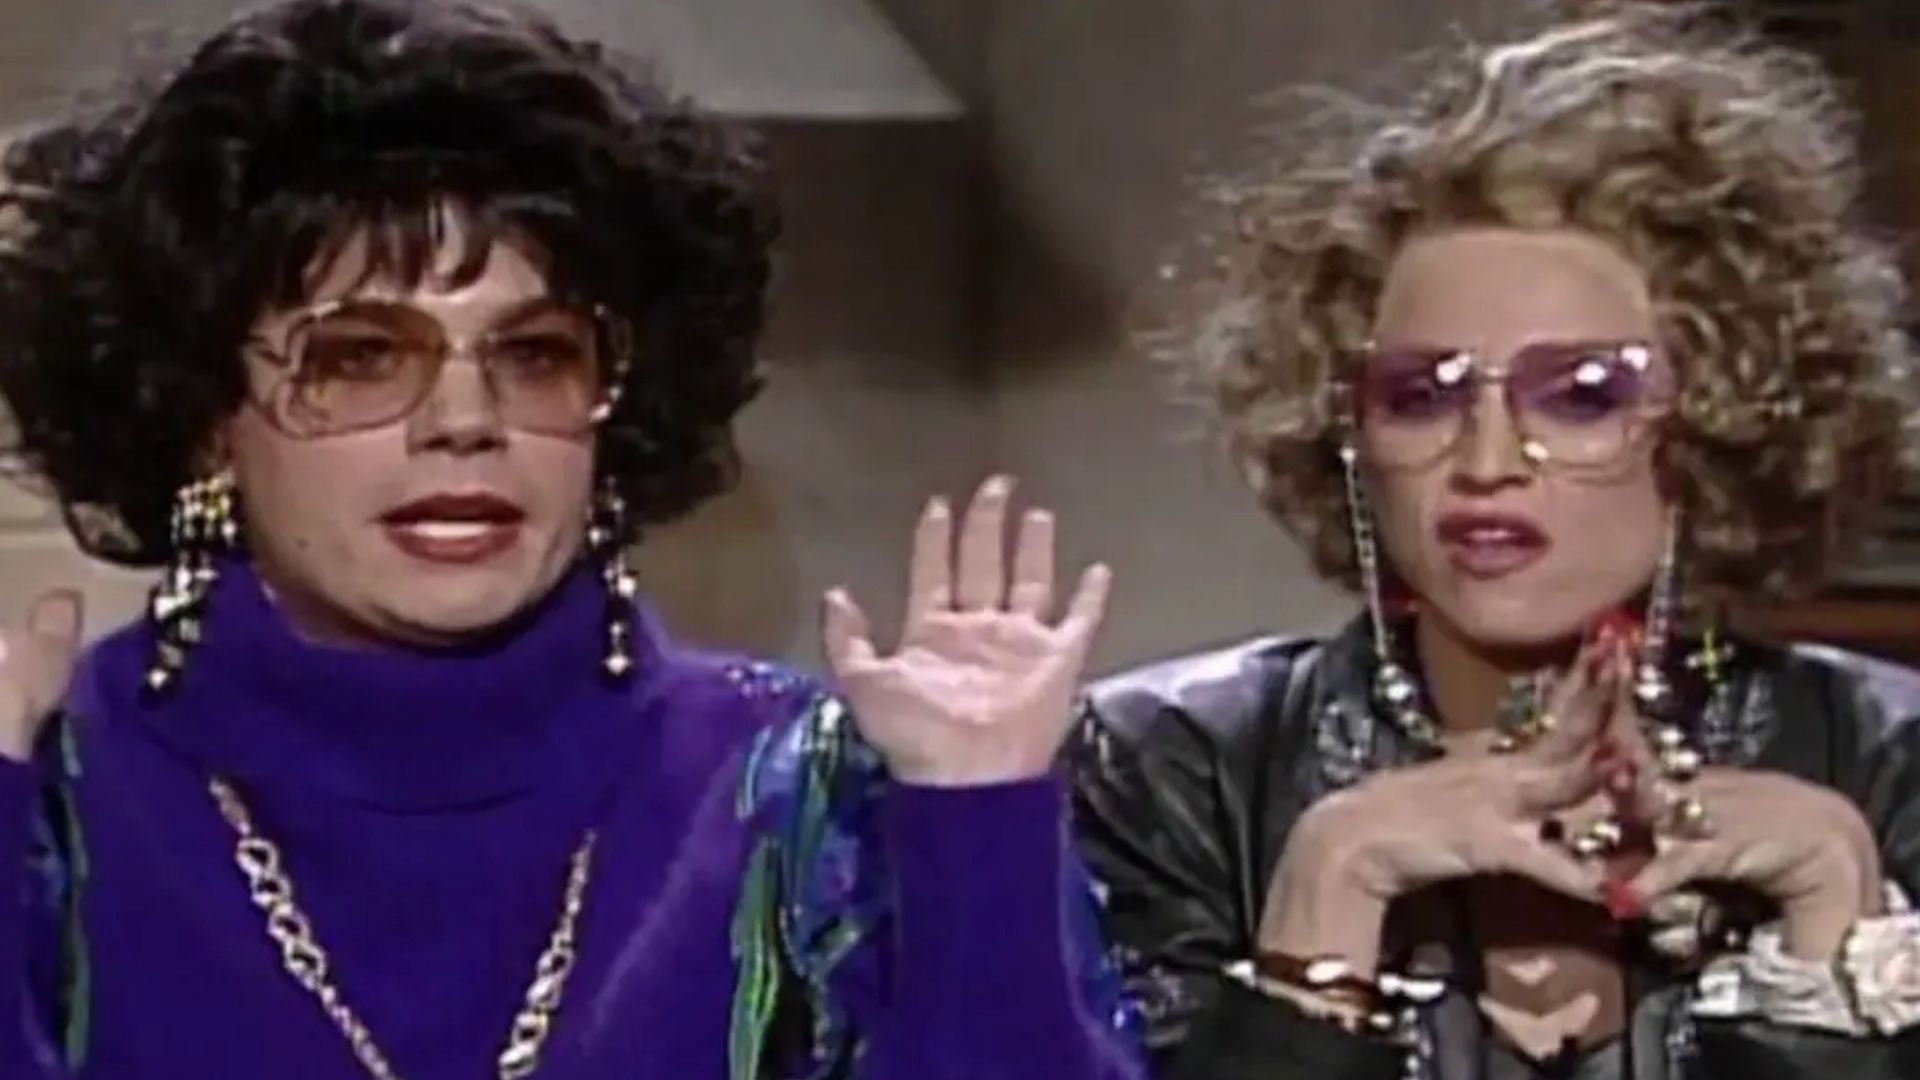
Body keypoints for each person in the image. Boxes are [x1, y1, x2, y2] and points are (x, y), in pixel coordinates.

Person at [0, 2, 1143, 1077]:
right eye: (361, 357)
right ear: (203, 417)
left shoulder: (802, 796)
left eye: (535, 354)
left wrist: (974, 825)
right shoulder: (59, 798)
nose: (465, 421)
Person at [1069, 3, 1920, 1078]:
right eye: (1420, 396)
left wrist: (1830, 926)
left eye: (1582, 395)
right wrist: (1331, 890)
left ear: (1724, 422)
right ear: (1347, 431)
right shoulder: (1164, 774)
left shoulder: (1892, 766)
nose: (1486, 460)